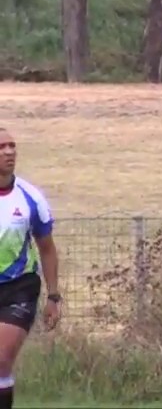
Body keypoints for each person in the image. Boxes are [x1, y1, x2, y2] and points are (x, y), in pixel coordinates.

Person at [0, 128, 60, 409]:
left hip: (19, 287)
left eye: (12, 146)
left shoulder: (30, 198)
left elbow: (47, 248)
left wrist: (53, 297)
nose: (9, 152)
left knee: (0, 360)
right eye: (2, 147)